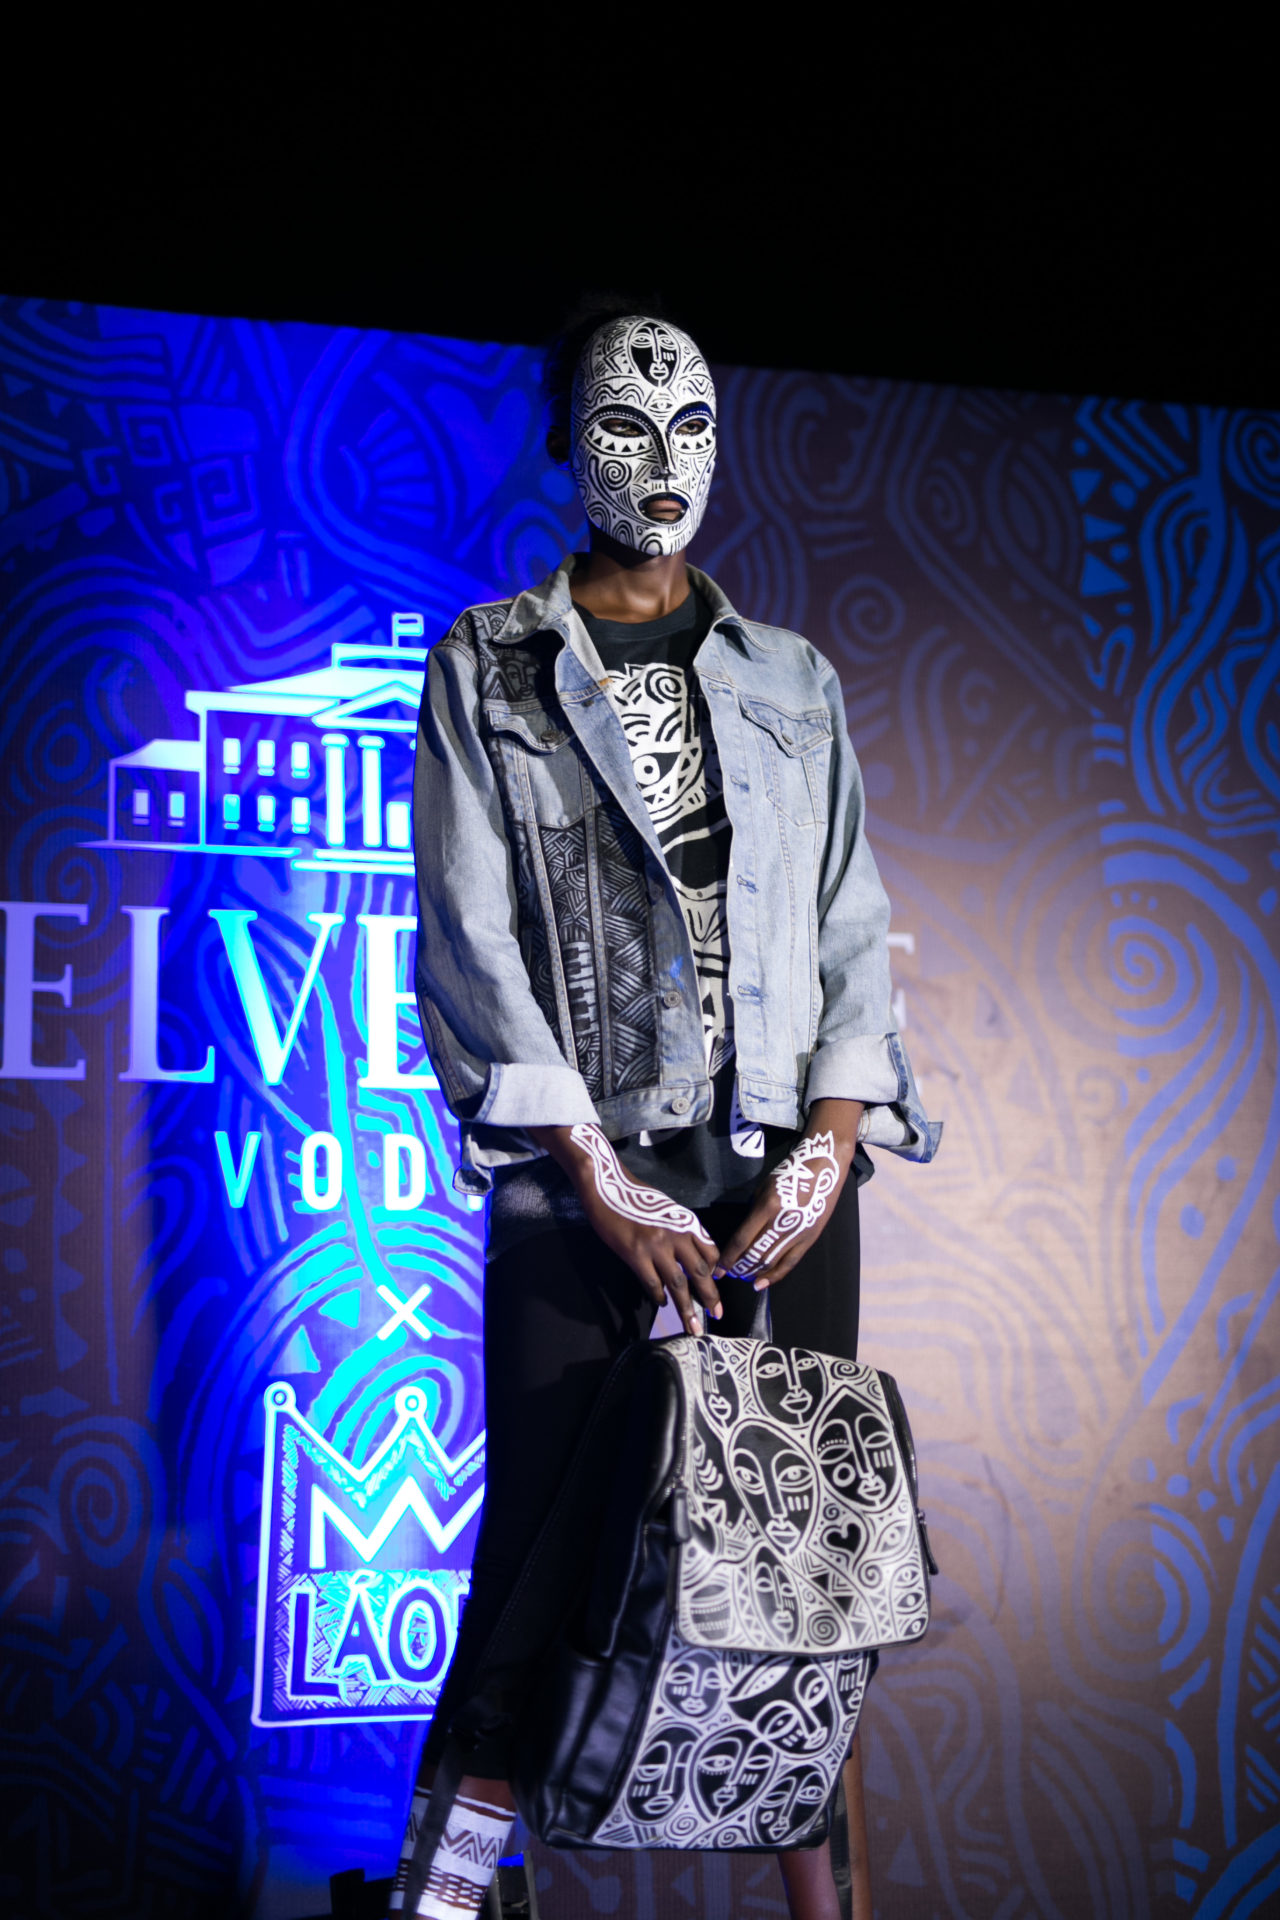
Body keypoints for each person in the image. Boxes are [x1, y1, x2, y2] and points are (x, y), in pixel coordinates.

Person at [390, 303, 939, 1920]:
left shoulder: (793, 679)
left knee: (800, 1562)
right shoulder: (489, 662)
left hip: (779, 1175)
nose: (664, 460)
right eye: (625, 427)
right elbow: (469, 932)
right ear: (567, 446)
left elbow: (852, 933)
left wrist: (831, 1148)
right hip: (584, 1171)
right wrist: (593, 1168)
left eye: (692, 423)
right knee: (542, 1553)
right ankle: (449, 1898)